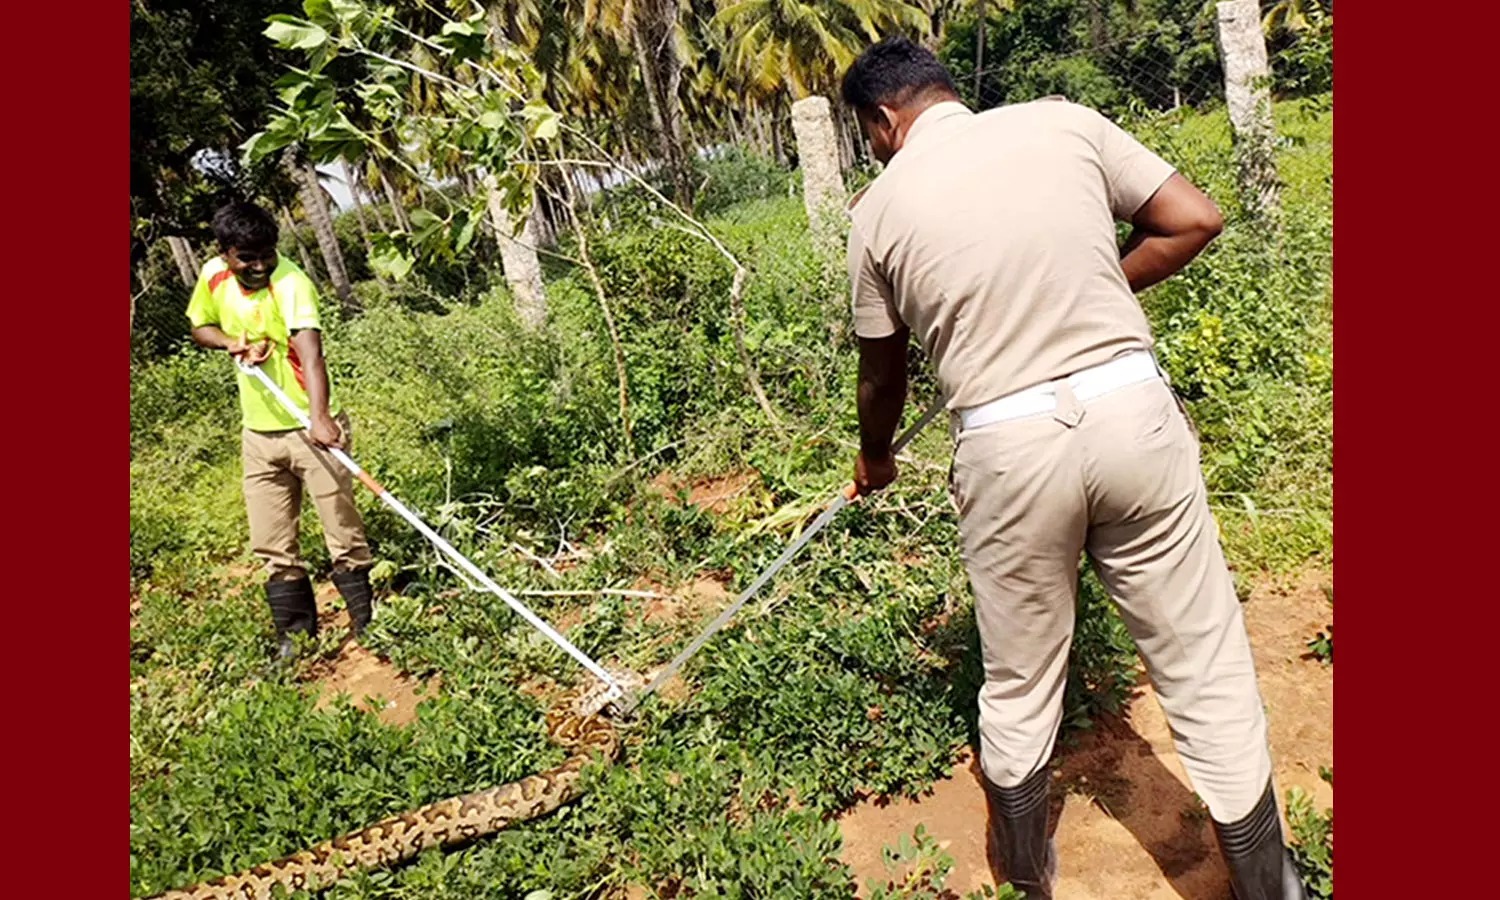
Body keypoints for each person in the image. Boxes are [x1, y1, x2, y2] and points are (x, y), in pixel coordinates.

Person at [840, 38, 1306, 900]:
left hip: (1008, 448)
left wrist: (875, 458)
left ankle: (1027, 874)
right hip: (1132, 412)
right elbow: (1194, 219)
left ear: (883, 119)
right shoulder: (1065, 123)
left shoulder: (877, 208)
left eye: (868, 136)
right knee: (1202, 659)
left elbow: (883, 369)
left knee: (1020, 677)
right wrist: (1096, 296)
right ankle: (1268, 882)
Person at [185, 200, 377, 659]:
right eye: (246, 257)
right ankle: (295, 636)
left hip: (308, 428)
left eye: (265, 254)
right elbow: (199, 326)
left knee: (342, 532)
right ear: (225, 252)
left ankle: (368, 625)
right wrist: (232, 342)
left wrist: (321, 417)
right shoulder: (213, 274)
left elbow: (311, 355)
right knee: (272, 542)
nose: (258, 265)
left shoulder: (290, 283)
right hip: (258, 435)